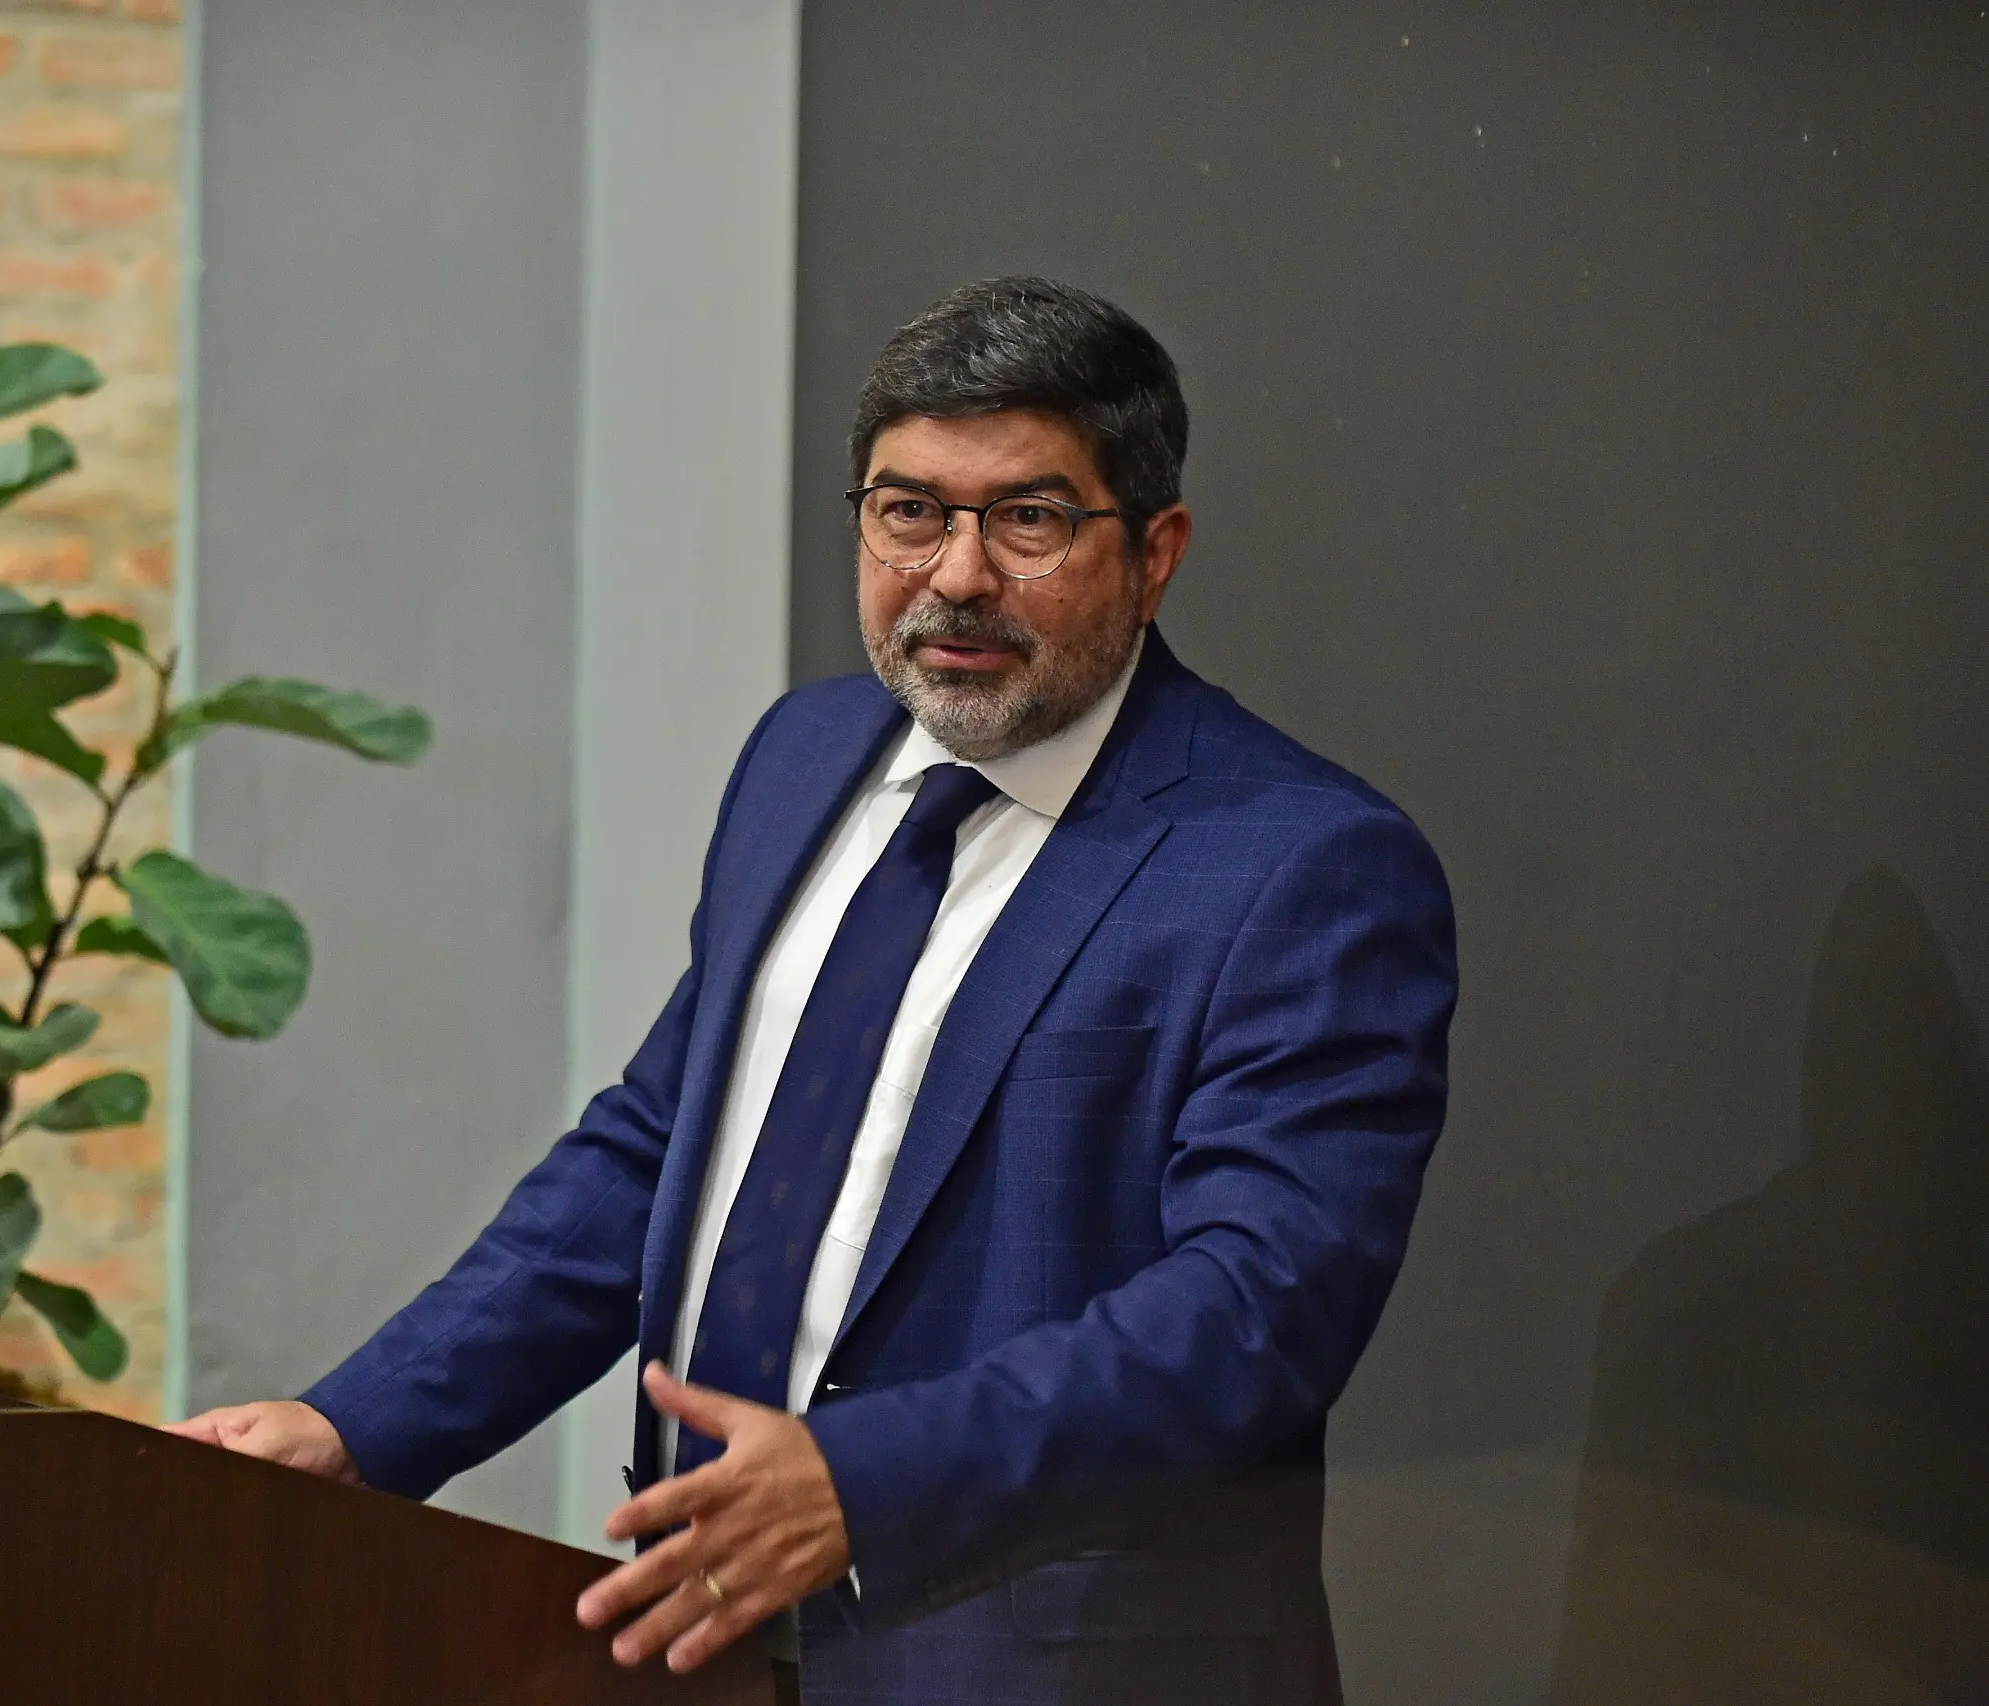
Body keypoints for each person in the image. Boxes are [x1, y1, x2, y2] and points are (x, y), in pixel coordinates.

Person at [172, 276, 1458, 1706]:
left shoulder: (1303, 867)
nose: (957, 574)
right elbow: (658, 1148)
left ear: (1154, 553)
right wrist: (359, 1426)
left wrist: (864, 1481)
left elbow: (1254, 1314)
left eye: (1027, 519)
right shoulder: (803, 758)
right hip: (699, 1646)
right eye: (910, 510)